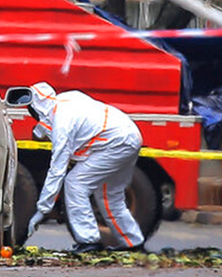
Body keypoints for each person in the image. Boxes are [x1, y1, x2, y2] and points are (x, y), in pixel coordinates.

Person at [24, 81, 146, 253]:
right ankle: (133, 243)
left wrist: (41, 210)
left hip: (115, 143)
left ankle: (88, 241)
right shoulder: (66, 98)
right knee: (110, 194)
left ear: (38, 110)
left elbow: (57, 170)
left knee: (75, 183)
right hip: (130, 134)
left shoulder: (62, 124)